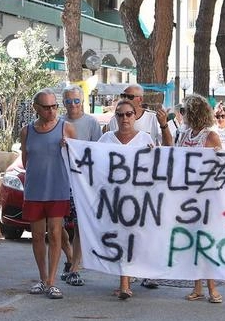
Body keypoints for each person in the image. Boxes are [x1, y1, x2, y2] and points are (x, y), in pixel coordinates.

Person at [20, 90, 77, 300]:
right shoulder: (26, 131)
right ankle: (43, 279)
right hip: (34, 190)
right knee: (36, 237)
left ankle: (52, 282)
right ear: (36, 107)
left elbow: (77, 159)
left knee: (55, 234)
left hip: (57, 189)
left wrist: (68, 148)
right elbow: (25, 161)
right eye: (46, 107)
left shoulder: (66, 128)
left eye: (54, 106)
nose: (51, 110)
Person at [98, 98, 154, 300]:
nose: (125, 119)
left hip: (137, 200)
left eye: (128, 114)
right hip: (113, 200)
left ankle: (128, 279)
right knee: (120, 239)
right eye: (120, 115)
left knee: (133, 240)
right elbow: (91, 164)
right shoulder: (105, 140)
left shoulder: (145, 139)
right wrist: (68, 147)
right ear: (115, 117)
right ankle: (124, 282)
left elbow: (154, 169)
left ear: (135, 116)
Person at [175, 94, 224, 304]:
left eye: (186, 110)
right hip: (186, 197)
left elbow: (222, 163)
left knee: (206, 243)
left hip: (206, 198)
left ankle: (212, 287)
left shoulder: (210, 136)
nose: (183, 114)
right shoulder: (184, 134)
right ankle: (197, 287)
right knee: (192, 243)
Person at [57, 85, 101, 287]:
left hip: (82, 182)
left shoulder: (91, 123)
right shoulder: (58, 122)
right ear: (63, 103)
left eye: (76, 101)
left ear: (82, 101)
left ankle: (74, 268)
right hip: (59, 180)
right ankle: (70, 257)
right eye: (68, 101)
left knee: (80, 226)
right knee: (56, 226)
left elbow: (98, 152)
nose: (73, 105)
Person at [106, 84, 172, 147]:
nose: (125, 99)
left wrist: (164, 125)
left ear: (140, 99)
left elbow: (168, 145)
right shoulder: (115, 119)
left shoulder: (153, 118)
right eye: (123, 96)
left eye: (130, 97)